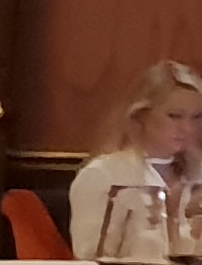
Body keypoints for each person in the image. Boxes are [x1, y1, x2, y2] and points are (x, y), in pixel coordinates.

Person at [70, 60, 202, 237]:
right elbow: (91, 249)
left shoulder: (197, 173)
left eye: (196, 117)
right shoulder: (103, 175)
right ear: (141, 116)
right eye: (175, 116)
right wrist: (171, 221)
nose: (188, 128)